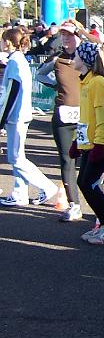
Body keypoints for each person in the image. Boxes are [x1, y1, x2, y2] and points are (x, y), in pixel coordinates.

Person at [35, 20, 93, 219]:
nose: (66, 38)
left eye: (70, 35)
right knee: (67, 160)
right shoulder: (57, 58)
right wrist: (54, 86)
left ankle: (96, 205)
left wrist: (82, 31)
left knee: (90, 159)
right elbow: (40, 75)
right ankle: (73, 204)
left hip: (85, 115)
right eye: (63, 35)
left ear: (78, 37)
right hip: (63, 114)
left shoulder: (87, 56)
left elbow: (98, 45)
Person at [69, 41, 104, 245]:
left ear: (84, 60)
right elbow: (85, 117)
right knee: (83, 183)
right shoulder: (85, 82)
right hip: (89, 143)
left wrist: (100, 146)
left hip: (102, 143)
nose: (72, 59)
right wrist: (77, 141)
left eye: (75, 56)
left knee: (88, 184)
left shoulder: (97, 83)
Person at [0, 28, 60, 207]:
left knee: (16, 157)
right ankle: (19, 193)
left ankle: (47, 186)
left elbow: (12, 92)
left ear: (9, 42)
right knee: (17, 156)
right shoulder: (18, 60)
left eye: (3, 40)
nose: (1, 43)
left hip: (16, 116)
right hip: (19, 114)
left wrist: (1, 120)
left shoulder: (15, 62)